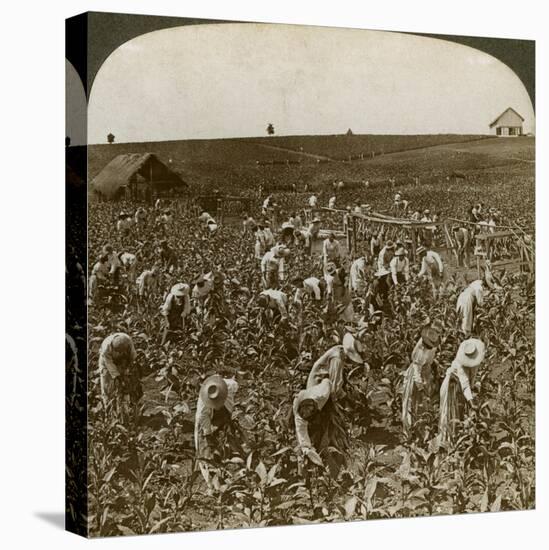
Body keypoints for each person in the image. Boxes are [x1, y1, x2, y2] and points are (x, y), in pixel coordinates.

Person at [293, 333, 367, 475]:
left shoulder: (320, 393)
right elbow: (335, 389)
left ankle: (320, 461)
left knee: (318, 431)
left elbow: (331, 385)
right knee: (315, 432)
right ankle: (310, 468)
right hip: (317, 386)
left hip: (319, 388)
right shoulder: (337, 359)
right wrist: (348, 402)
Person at [438, 339, 486, 447]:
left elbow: (472, 377)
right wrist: (471, 402)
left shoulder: (475, 360)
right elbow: (464, 385)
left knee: (460, 412)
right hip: (452, 387)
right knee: (451, 413)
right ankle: (450, 443)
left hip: (461, 387)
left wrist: (475, 386)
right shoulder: (460, 365)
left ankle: (461, 438)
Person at [195, 375, 240, 488]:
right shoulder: (203, 406)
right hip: (208, 420)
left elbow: (236, 385)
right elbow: (204, 421)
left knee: (228, 441)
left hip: (224, 416)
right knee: (205, 451)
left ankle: (228, 465)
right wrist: (209, 435)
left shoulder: (230, 386)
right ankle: (211, 482)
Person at [401, 326, 440, 436]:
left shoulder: (433, 345)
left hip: (426, 372)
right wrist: (421, 388)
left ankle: (423, 429)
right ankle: (409, 430)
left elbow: (430, 361)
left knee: (425, 403)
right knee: (412, 401)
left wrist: (434, 371)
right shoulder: (420, 351)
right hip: (415, 375)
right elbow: (416, 370)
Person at [98, 333, 138, 406]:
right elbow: (109, 364)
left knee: (126, 381)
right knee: (107, 386)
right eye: (118, 351)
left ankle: (126, 402)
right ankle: (107, 406)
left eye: (121, 351)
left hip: (122, 361)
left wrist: (128, 370)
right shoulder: (106, 347)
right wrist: (117, 376)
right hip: (106, 362)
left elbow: (133, 357)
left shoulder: (128, 341)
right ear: (113, 347)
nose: (119, 353)